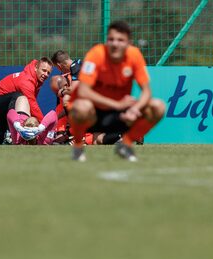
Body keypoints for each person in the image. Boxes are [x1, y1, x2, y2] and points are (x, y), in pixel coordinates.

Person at [68, 20, 165, 162]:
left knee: (158, 106)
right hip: (93, 113)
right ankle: (77, 147)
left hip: (119, 114)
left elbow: (146, 92)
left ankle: (125, 145)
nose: (115, 44)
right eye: (111, 39)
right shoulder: (96, 55)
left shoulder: (135, 56)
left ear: (128, 43)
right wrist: (117, 104)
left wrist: (135, 109)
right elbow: (83, 91)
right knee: (81, 106)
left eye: (120, 40)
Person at [0, 57, 53, 144]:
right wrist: (45, 125)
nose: (46, 74)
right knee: (19, 97)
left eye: (48, 73)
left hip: (0, 106)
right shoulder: (27, 81)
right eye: (44, 70)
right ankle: (20, 134)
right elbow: (32, 105)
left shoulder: (35, 79)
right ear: (36, 68)